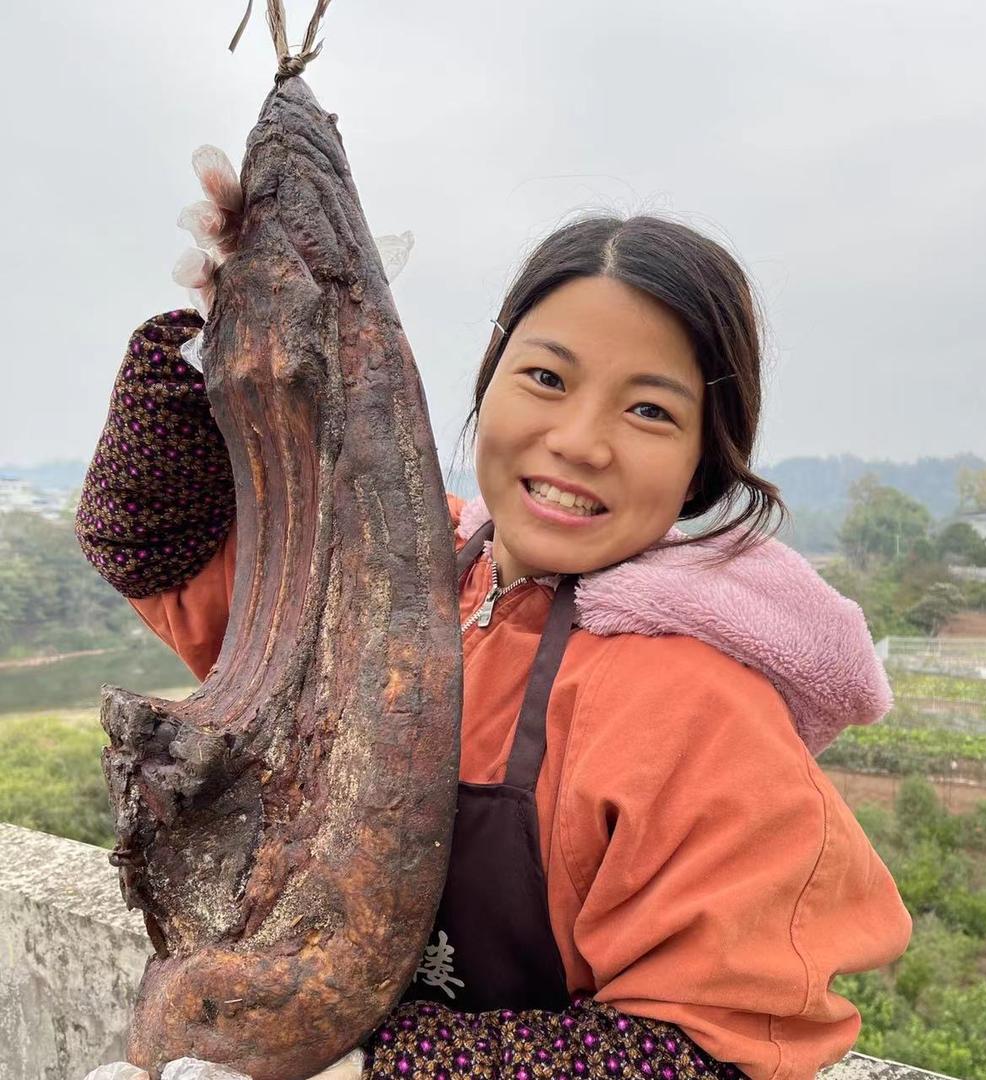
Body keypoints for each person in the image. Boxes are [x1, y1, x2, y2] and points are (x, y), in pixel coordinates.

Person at [76, 147, 912, 1080]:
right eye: (548, 379)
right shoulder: (381, 559)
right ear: (489, 380)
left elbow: (706, 1050)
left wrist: (376, 1068)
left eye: (649, 411)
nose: (579, 442)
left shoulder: (706, 713)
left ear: (700, 467)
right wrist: (227, 338)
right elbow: (152, 543)